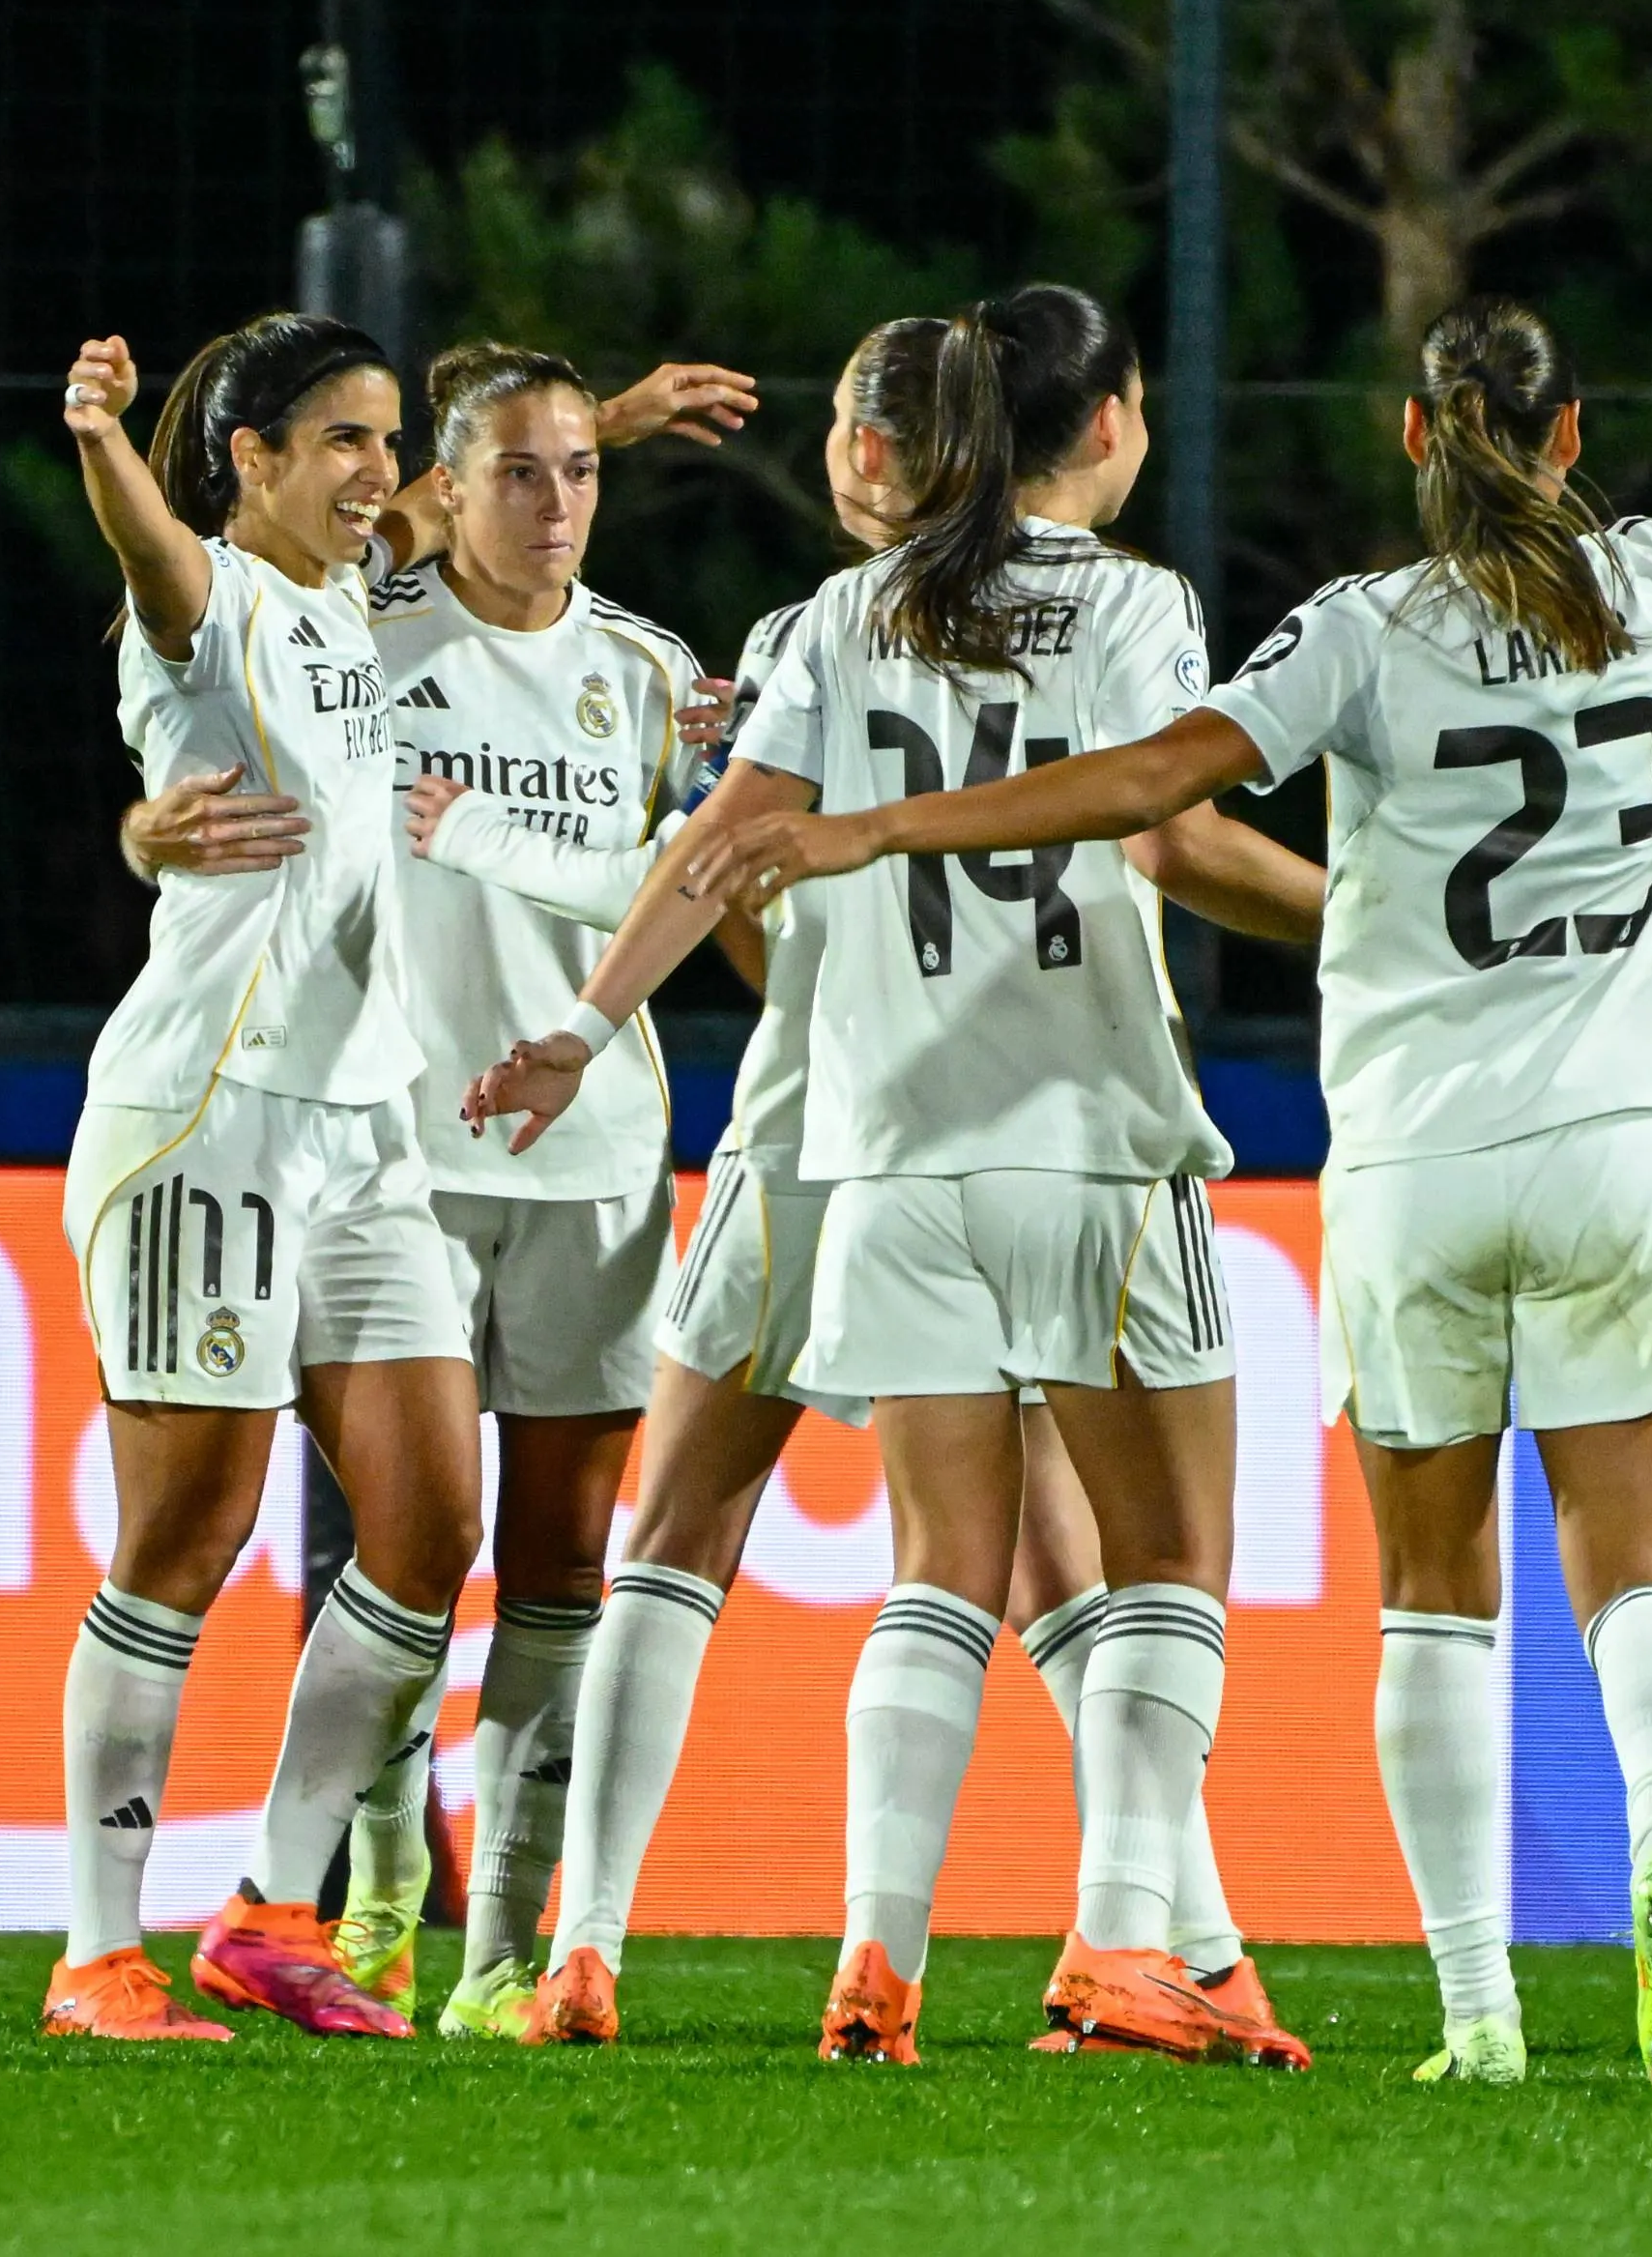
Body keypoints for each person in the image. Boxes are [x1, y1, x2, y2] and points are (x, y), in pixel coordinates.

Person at [687, 296, 1652, 2090]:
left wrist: (883, 824)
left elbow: (1149, 786)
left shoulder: (1361, 632)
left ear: (1417, 444)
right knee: (1634, 1567)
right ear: (1569, 438)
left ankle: (1478, 2019)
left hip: (1417, 1152)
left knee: (1432, 1592)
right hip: (1638, 1134)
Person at [469, 284, 1326, 2068]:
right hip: (1083, 1131)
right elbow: (1168, 830)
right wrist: (1384, 928)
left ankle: (765, 1948)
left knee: (908, 1558)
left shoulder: (835, 619)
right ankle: (1130, 1939)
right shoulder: (1132, 602)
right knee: (1142, 1565)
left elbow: (719, 861)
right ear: (1102, 426)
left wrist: (577, 1021)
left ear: (907, 445)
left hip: (862, 1140)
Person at [116, 341, 760, 2040]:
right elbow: (220, 703)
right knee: (408, 1541)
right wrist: (142, 830)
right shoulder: (366, 623)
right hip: (392, 1142)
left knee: (552, 1564)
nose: (558, 506)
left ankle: (506, 1951)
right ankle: (378, 1893)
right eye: (518, 472)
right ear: (442, 492)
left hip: (596, 1154)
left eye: (584, 474)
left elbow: (693, 875)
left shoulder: (651, 669)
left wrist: (502, 835)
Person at [43, 314, 487, 2041]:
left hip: (360, 1127)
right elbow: (154, 566)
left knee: (434, 1518)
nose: (383, 477)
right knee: (188, 1534)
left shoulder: (348, 604)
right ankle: (97, 1950)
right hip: (208, 1113)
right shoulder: (219, 598)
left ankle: (269, 1910)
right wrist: (98, 445)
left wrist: (625, 420)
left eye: (391, 443)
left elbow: (474, 499)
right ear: (254, 457)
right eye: (350, 444)